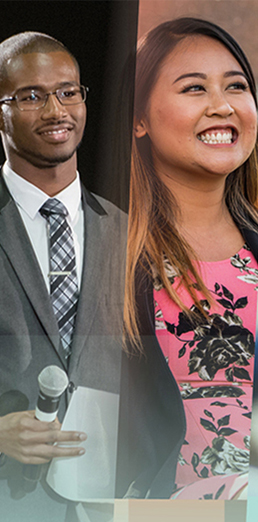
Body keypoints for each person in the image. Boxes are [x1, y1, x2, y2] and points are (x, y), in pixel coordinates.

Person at [118, 18, 258, 500]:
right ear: (139, 118)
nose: (222, 107)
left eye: (236, 86)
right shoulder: (111, 254)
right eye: (194, 88)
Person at [0, 32, 125, 520]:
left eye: (68, 91)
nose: (56, 110)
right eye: (31, 96)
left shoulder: (127, 231)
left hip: (105, 499)